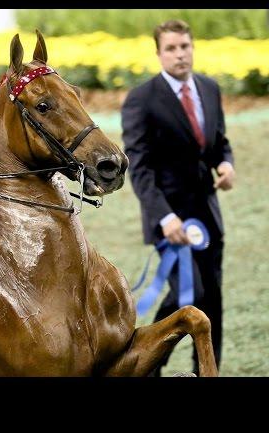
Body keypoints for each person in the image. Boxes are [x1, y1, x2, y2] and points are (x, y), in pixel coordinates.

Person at [121, 19, 235, 376]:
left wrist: (226, 164)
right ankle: (147, 364)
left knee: (211, 297)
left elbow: (219, 143)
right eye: (171, 48)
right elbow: (139, 168)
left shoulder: (209, 88)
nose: (179, 54)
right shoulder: (141, 99)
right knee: (190, 292)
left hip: (208, 215)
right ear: (158, 54)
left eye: (184, 46)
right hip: (168, 218)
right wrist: (164, 217)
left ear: (192, 47)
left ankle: (207, 370)